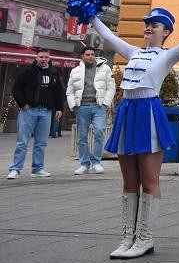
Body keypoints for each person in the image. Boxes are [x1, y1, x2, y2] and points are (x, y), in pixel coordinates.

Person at [93, 7, 179, 259]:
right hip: (127, 111)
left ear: (166, 32)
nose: (148, 27)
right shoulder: (134, 52)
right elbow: (110, 36)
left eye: (155, 25)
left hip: (148, 112)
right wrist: (90, 15)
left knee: (149, 179)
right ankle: (127, 237)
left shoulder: (167, 56)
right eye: (147, 23)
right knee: (128, 181)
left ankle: (145, 238)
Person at [7, 48, 65, 179]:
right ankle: (15, 169)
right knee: (22, 141)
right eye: (41, 57)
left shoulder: (54, 73)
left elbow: (58, 93)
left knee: (41, 142)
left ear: (49, 58)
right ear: (36, 58)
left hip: (46, 112)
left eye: (46, 57)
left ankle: (38, 168)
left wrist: (59, 108)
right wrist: (23, 104)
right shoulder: (27, 72)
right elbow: (16, 88)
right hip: (29, 111)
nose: (43, 59)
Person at [65, 45, 116, 175]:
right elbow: (69, 90)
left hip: (98, 106)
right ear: (82, 56)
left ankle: (96, 162)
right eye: (87, 54)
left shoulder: (105, 68)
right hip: (82, 107)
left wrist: (105, 103)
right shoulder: (75, 71)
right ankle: (84, 164)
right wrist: (73, 105)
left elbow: (111, 87)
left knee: (99, 132)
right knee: (82, 137)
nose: (90, 57)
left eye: (92, 54)